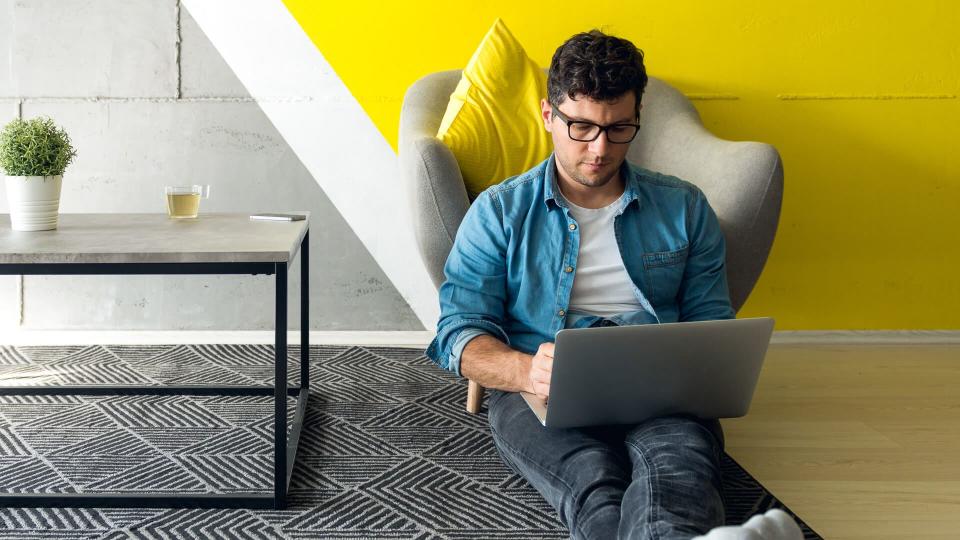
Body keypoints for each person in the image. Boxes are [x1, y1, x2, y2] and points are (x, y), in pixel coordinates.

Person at [426, 29, 772, 539]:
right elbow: (457, 332)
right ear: (549, 115)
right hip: (536, 389)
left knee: (676, 483)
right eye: (581, 127)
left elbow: (710, 321)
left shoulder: (684, 208)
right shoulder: (499, 212)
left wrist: (705, 371)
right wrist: (526, 371)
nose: (600, 148)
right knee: (593, 487)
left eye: (619, 128)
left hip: (663, 388)